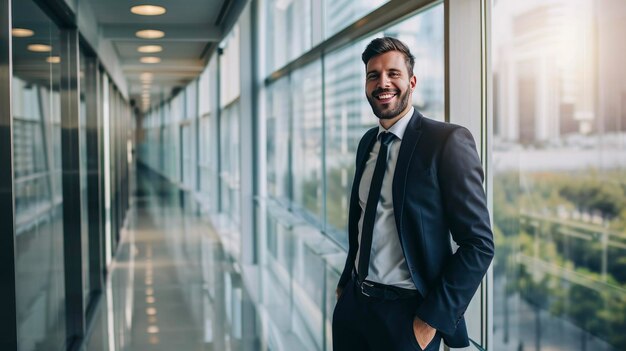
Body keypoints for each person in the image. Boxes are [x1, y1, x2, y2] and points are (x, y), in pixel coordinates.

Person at [332, 37, 494, 350]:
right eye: (373, 75)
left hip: (408, 318)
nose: (383, 83)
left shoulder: (446, 141)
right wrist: (344, 289)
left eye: (393, 73)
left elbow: (479, 244)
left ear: (412, 81)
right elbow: (364, 221)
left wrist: (429, 321)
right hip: (354, 308)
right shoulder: (368, 142)